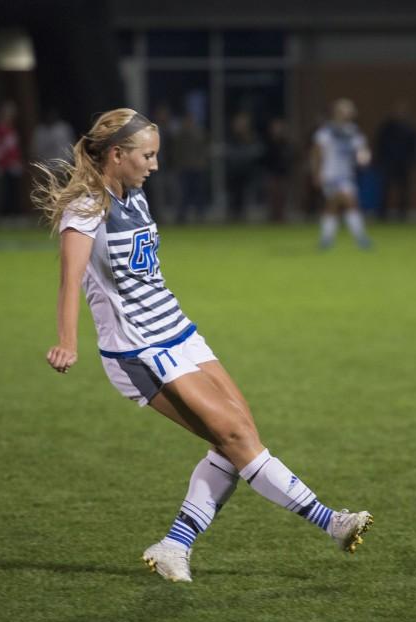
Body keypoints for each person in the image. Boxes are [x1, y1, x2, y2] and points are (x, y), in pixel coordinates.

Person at [32, 108, 372, 583]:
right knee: (235, 437)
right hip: (140, 350)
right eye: (147, 156)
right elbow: (70, 280)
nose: (153, 165)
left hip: (179, 331)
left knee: (238, 436)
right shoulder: (87, 208)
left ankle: (174, 545)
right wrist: (67, 342)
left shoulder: (136, 197)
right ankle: (331, 522)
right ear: (116, 155)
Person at [311, 98, 372, 249]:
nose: (350, 113)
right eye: (346, 110)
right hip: (330, 175)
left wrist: (364, 158)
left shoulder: (353, 131)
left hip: (346, 175)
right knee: (349, 201)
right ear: (337, 112)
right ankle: (360, 238)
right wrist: (316, 173)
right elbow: (316, 153)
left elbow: (362, 150)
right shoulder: (326, 131)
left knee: (334, 206)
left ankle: (326, 239)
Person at [374, 100, 416, 221]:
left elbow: (414, 147)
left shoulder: (410, 128)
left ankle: (402, 213)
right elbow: (379, 144)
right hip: (388, 162)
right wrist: (380, 160)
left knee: (404, 189)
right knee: (385, 188)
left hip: (404, 163)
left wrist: (412, 161)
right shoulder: (386, 127)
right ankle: (382, 213)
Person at [225, 111, 263, 221]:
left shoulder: (252, 137)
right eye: (238, 123)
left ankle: (245, 217)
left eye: (242, 123)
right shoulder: (231, 137)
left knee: (247, 196)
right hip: (234, 172)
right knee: (233, 197)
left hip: (247, 172)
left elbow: (258, 150)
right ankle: (233, 216)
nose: (240, 126)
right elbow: (229, 152)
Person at [0, 100, 24, 216]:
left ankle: (15, 213)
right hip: (3, 164)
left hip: (13, 164)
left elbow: (14, 148)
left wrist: (17, 161)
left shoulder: (12, 129)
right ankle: (6, 214)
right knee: (6, 190)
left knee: (14, 190)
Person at [171, 112, 208, 224]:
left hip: (196, 167)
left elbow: (203, 149)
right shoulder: (181, 135)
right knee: (184, 193)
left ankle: (199, 214)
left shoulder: (198, 133)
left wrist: (202, 163)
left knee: (197, 192)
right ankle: (182, 215)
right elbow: (176, 151)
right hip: (185, 168)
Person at [262, 117, 293, 223]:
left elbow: (292, 156)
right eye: (275, 128)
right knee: (273, 197)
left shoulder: (286, 142)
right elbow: (265, 158)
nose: (277, 130)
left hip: (283, 174)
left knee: (282, 197)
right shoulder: (268, 143)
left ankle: (281, 218)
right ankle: (273, 218)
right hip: (272, 173)